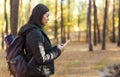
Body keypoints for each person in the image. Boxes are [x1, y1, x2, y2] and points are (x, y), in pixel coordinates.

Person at [18, 3, 65, 77]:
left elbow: (43, 52)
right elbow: (42, 59)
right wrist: (58, 51)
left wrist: (57, 48)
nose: (48, 19)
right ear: (39, 16)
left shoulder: (36, 31)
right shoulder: (34, 33)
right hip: (36, 73)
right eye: (47, 16)